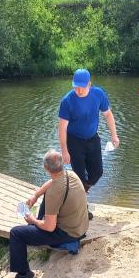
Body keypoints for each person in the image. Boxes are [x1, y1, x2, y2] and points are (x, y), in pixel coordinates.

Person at [7, 150, 89, 278]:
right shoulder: (71, 174)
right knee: (47, 198)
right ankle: (37, 225)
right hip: (82, 226)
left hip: (69, 233)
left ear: (46, 168)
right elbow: (52, 182)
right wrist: (36, 195)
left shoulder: (54, 192)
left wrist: (33, 221)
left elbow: (50, 227)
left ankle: (24, 274)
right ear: (61, 164)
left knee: (16, 233)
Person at [58, 68, 119, 219]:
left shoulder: (98, 94)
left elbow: (108, 115)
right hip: (74, 141)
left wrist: (114, 135)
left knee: (97, 172)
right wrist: (64, 151)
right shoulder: (67, 101)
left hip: (93, 139)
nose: (78, 90)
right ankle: (82, 209)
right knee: (79, 176)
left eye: (81, 86)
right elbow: (62, 128)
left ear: (89, 84)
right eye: (75, 86)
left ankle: (79, 192)